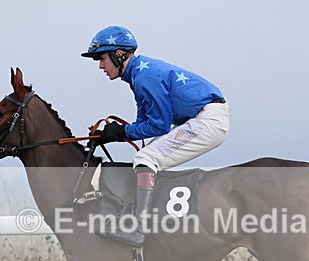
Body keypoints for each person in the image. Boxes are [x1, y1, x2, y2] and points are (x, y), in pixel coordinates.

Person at [81, 25, 230, 246]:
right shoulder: (139, 73)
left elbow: (159, 126)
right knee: (145, 157)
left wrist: (121, 132)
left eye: (101, 59)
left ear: (118, 54)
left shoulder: (144, 77)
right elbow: (145, 123)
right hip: (200, 117)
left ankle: (139, 229)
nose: (101, 66)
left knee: (145, 159)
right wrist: (113, 134)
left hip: (207, 121)